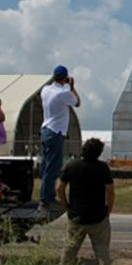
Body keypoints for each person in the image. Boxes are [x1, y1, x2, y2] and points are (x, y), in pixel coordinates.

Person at [57, 137, 114, 265]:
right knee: (102, 250)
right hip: (98, 216)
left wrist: (65, 206)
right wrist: (108, 210)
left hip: (76, 215)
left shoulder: (71, 165)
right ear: (99, 153)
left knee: (70, 249)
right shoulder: (102, 167)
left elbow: (60, 188)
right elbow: (110, 191)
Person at [39, 65, 80, 215]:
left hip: (46, 129)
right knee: (53, 168)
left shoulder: (45, 90)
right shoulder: (63, 93)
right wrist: (72, 87)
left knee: (46, 165)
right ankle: (46, 201)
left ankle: (46, 197)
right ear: (65, 78)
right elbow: (77, 102)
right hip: (56, 132)